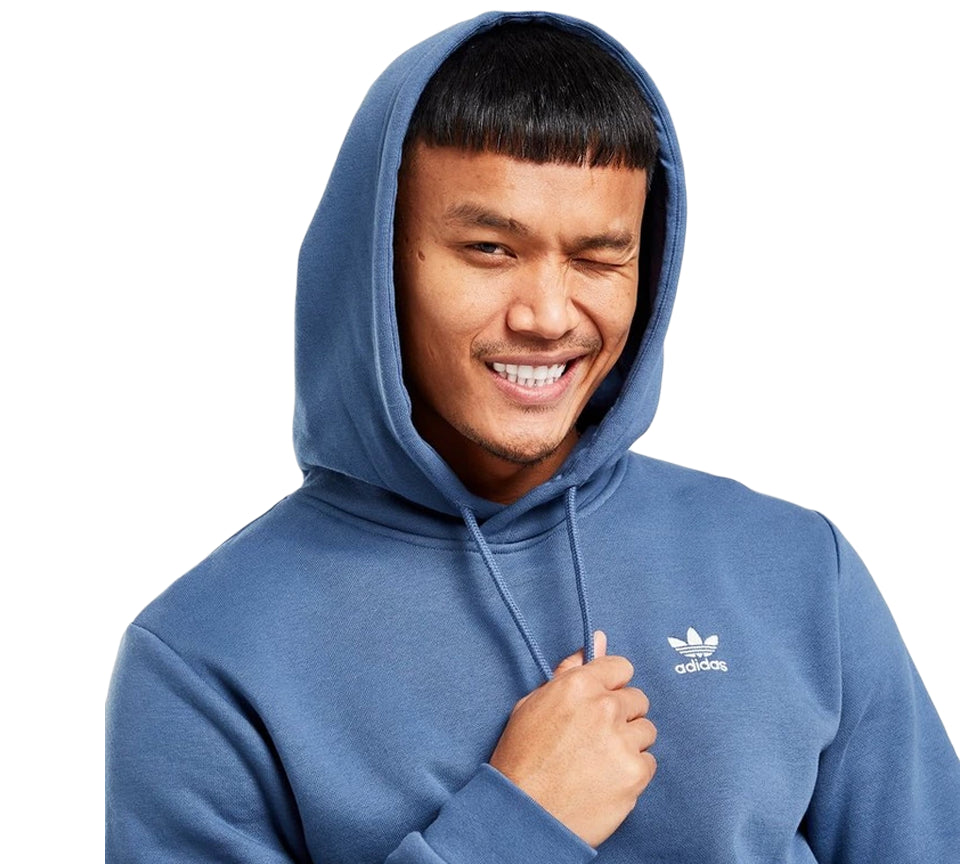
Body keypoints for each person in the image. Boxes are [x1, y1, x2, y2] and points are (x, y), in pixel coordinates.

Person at [106, 10, 960, 862]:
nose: (548, 317)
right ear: (378, 261)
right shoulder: (204, 657)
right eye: (489, 249)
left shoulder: (798, 569)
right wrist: (517, 826)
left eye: (598, 257)